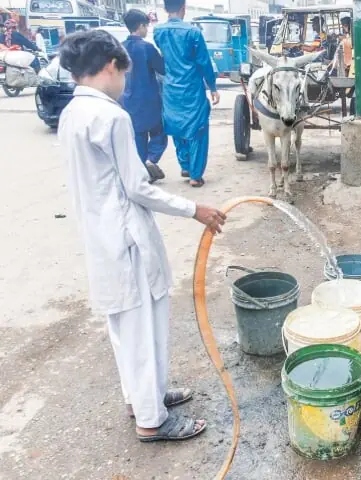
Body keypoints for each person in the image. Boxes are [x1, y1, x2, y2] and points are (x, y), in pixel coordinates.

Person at [57, 29, 226, 442]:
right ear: (112, 66)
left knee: (126, 329)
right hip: (126, 238)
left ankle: (143, 397)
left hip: (101, 237)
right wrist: (194, 209)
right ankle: (152, 421)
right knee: (144, 329)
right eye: (124, 75)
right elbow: (137, 187)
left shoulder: (72, 113)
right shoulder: (111, 116)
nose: (124, 84)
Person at [154, 0, 219, 187]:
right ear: (184, 8)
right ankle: (195, 176)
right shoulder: (193, 33)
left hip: (171, 89)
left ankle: (185, 165)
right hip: (192, 89)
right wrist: (212, 86)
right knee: (198, 129)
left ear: (166, 9)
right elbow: (204, 62)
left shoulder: (158, 32)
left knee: (176, 126)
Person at [121, 9, 167, 183]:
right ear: (140, 26)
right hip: (149, 99)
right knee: (160, 134)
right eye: (146, 26)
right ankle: (149, 161)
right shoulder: (147, 48)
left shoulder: (120, 48)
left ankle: (141, 172)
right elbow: (162, 69)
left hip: (127, 100)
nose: (147, 29)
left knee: (138, 137)